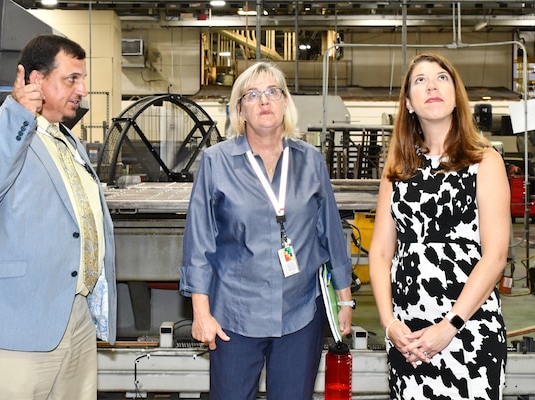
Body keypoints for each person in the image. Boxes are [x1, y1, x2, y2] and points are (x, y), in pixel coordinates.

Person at [0, 34, 117, 400]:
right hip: (15, 321)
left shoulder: (68, 141)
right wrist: (19, 117)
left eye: (82, 79)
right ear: (36, 80)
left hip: (73, 315)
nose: (82, 90)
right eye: (72, 79)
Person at [179, 61, 353, 400]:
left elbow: (330, 231)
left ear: (285, 103)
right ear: (240, 109)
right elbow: (199, 242)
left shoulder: (310, 160)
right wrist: (201, 312)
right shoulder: (217, 162)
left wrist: (345, 299)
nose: (264, 101)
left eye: (273, 92)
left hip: (300, 312)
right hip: (234, 313)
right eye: (253, 94)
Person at [369, 52, 509, 400]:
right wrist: (390, 325)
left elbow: (495, 257)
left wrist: (450, 327)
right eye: (420, 80)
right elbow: (381, 252)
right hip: (409, 337)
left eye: (441, 78)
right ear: (409, 103)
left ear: (456, 94)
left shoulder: (485, 162)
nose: (431, 85)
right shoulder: (398, 168)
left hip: (468, 328)